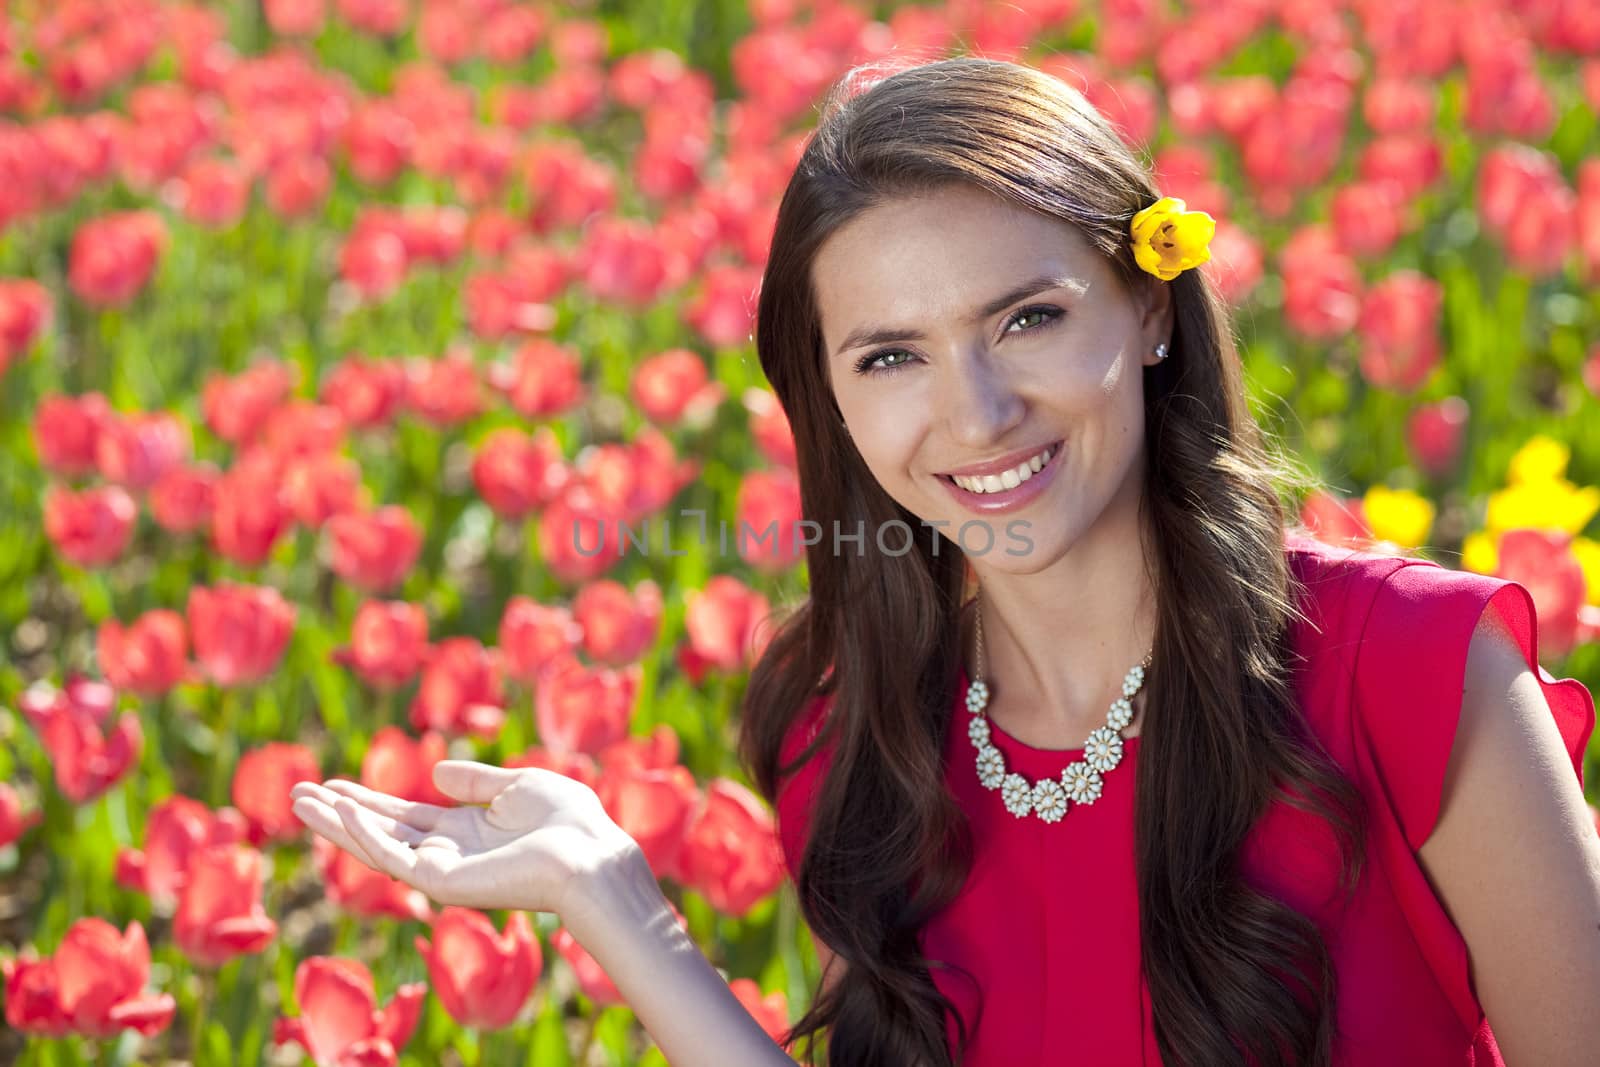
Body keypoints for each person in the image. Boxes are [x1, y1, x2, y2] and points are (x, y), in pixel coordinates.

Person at [291, 57, 1600, 1067]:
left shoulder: (1409, 673)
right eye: (891, 356)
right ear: (831, 397)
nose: (974, 414)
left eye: (1026, 318)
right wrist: (614, 903)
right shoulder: (861, 744)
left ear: (1149, 306)